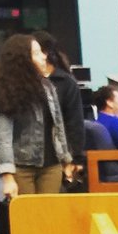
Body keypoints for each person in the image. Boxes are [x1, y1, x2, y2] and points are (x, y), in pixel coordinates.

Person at [0, 34, 75, 195]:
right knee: (27, 218)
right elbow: (3, 137)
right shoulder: (7, 91)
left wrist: (66, 159)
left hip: (52, 165)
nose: (44, 57)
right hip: (22, 168)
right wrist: (7, 176)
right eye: (37, 53)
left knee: (49, 217)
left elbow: (58, 125)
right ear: (22, 59)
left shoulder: (48, 87)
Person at [32, 31, 86, 171]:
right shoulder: (25, 82)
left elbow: (75, 121)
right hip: (29, 154)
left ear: (45, 53)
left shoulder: (65, 82)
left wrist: (77, 157)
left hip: (59, 154)